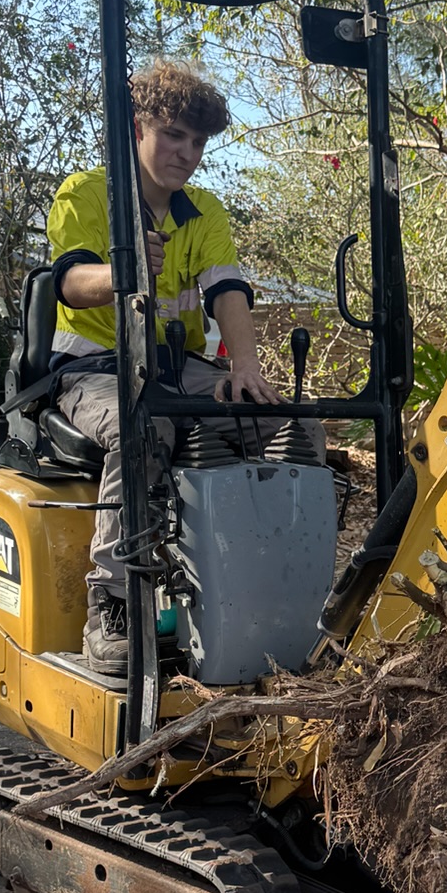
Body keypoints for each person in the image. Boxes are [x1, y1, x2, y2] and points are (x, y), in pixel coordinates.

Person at [47, 59, 275, 675]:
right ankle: (113, 605)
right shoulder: (86, 194)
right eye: (175, 135)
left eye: (198, 142)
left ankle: (266, 591)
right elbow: (69, 282)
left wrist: (245, 367)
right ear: (138, 128)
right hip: (92, 368)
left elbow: (227, 291)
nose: (188, 153)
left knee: (286, 424)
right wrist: (123, 272)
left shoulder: (203, 211)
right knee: (144, 425)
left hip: (177, 367)